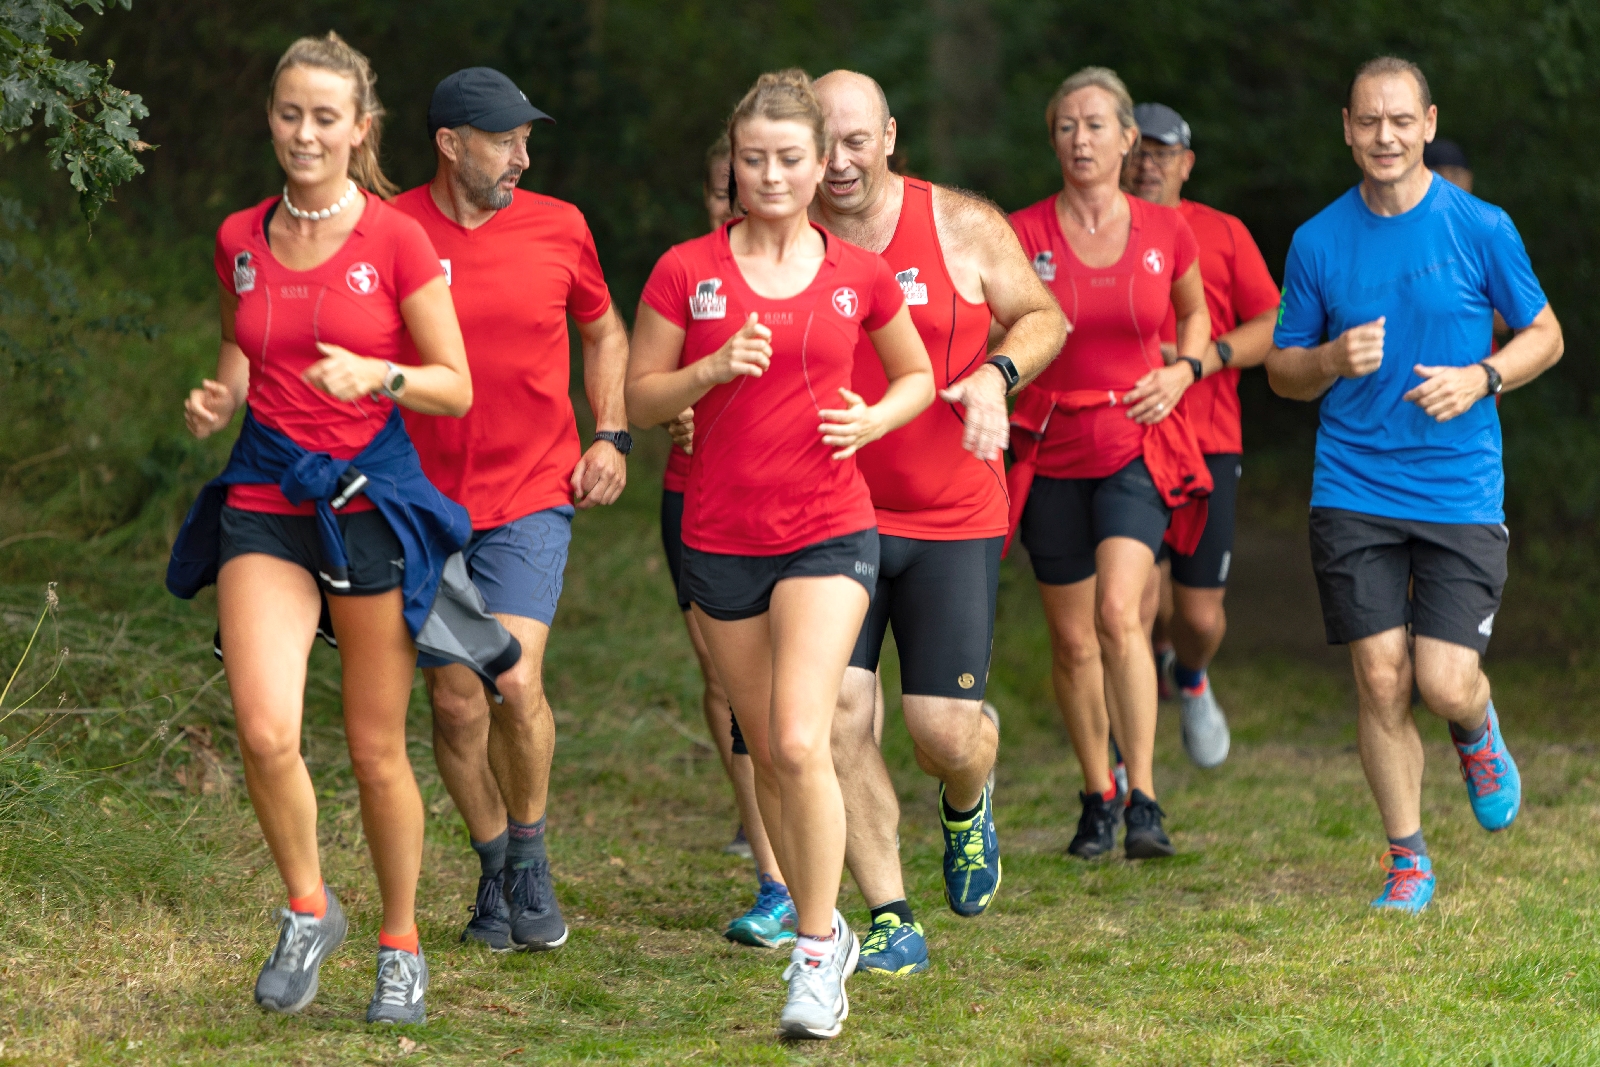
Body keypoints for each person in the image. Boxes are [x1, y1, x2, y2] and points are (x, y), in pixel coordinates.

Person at [170, 33, 523, 1024]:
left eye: (326, 116)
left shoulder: (397, 240)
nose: (304, 132)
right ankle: (307, 904)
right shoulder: (240, 235)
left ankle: (400, 940)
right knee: (264, 728)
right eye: (290, 113)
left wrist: (383, 374)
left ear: (360, 128)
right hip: (265, 498)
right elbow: (250, 347)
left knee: (375, 750)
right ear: (270, 119)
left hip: (369, 500)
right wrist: (218, 395)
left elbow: (453, 385)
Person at [626, 69, 934, 1040]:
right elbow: (633, 397)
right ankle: (819, 922)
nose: (769, 174)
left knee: (801, 738)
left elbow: (920, 374)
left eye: (788, 158)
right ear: (734, 162)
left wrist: (873, 413)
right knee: (765, 749)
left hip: (830, 528)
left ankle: (815, 948)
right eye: (753, 158)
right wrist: (709, 370)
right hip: (718, 535)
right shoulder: (685, 270)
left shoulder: (859, 274)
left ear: (820, 166)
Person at [1266, 56, 1562, 912]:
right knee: (1380, 676)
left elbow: (1546, 335)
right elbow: (1284, 371)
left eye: (1401, 120)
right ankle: (1407, 857)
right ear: (1348, 130)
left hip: (1458, 488)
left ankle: (1475, 724)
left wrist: (1484, 378)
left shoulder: (1481, 226)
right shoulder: (1318, 240)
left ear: (1428, 123)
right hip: (1353, 482)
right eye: (1369, 121)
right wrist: (1326, 358)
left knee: (1441, 679)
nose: (1385, 136)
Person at [806, 70, 1067, 975]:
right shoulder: (784, 240)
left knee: (941, 732)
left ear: (888, 135)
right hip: (833, 517)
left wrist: (997, 377)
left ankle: (969, 795)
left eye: (854, 140)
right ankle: (889, 915)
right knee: (840, 711)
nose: (837, 163)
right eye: (821, 142)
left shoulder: (959, 224)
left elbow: (1044, 316)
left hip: (953, 514)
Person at [389, 67, 631, 955]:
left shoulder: (561, 227)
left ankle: (528, 852)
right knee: (455, 704)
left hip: (531, 490)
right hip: (422, 506)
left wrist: (611, 433)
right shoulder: (393, 233)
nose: (523, 156)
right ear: (450, 144)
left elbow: (603, 328)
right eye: (503, 139)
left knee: (514, 678)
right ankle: (495, 868)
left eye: (529, 138)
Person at [1007, 66, 1215, 862]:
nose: (1080, 139)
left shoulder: (1167, 232)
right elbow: (1001, 327)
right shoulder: (1025, 233)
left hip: (1134, 441)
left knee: (1120, 613)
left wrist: (1183, 370)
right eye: (1066, 126)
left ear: (1129, 139)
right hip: (1054, 446)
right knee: (1071, 643)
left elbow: (1194, 313)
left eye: (1096, 125)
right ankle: (1096, 791)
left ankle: (1146, 799)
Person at [660, 135, 795, 949]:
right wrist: (679, 401)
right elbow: (645, 382)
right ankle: (772, 869)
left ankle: (817, 809)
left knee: (815, 686)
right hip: (697, 502)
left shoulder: (816, 268)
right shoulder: (687, 277)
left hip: (805, 514)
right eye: (722, 189)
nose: (734, 200)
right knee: (726, 677)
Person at [1124, 102, 1281, 769]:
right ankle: (1127, 757)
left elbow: (1274, 323)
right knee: (1128, 599)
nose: (1146, 164)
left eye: (1161, 153)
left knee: (1199, 617)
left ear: (1186, 164)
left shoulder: (1221, 232)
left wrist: (1198, 363)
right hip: (1120, 438)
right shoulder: (1091, 232)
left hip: (1207, 438)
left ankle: (1188, 675)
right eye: (1136, 149)